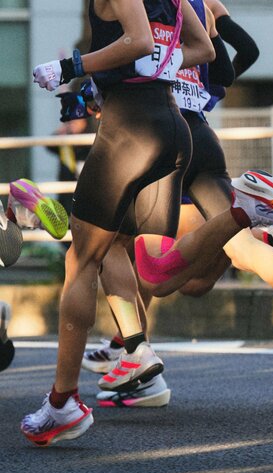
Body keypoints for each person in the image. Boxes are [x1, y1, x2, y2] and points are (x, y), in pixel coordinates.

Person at [87, 0, 273, 408]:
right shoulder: (200, 5)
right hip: (202, 134)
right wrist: (203, 90)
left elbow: (130, 52)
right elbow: (229, 63)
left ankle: (134, 349)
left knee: (127, 252)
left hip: (155, 129)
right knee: (213, 268)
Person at [21, 0, 216, 446]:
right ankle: (135, 346)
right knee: (132, 257)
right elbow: (203, 48)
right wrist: (157, 67)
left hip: (130, 129)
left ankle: (62, 403)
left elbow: (139, 39)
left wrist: (69, 66)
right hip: (173, 128)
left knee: (81, 259)